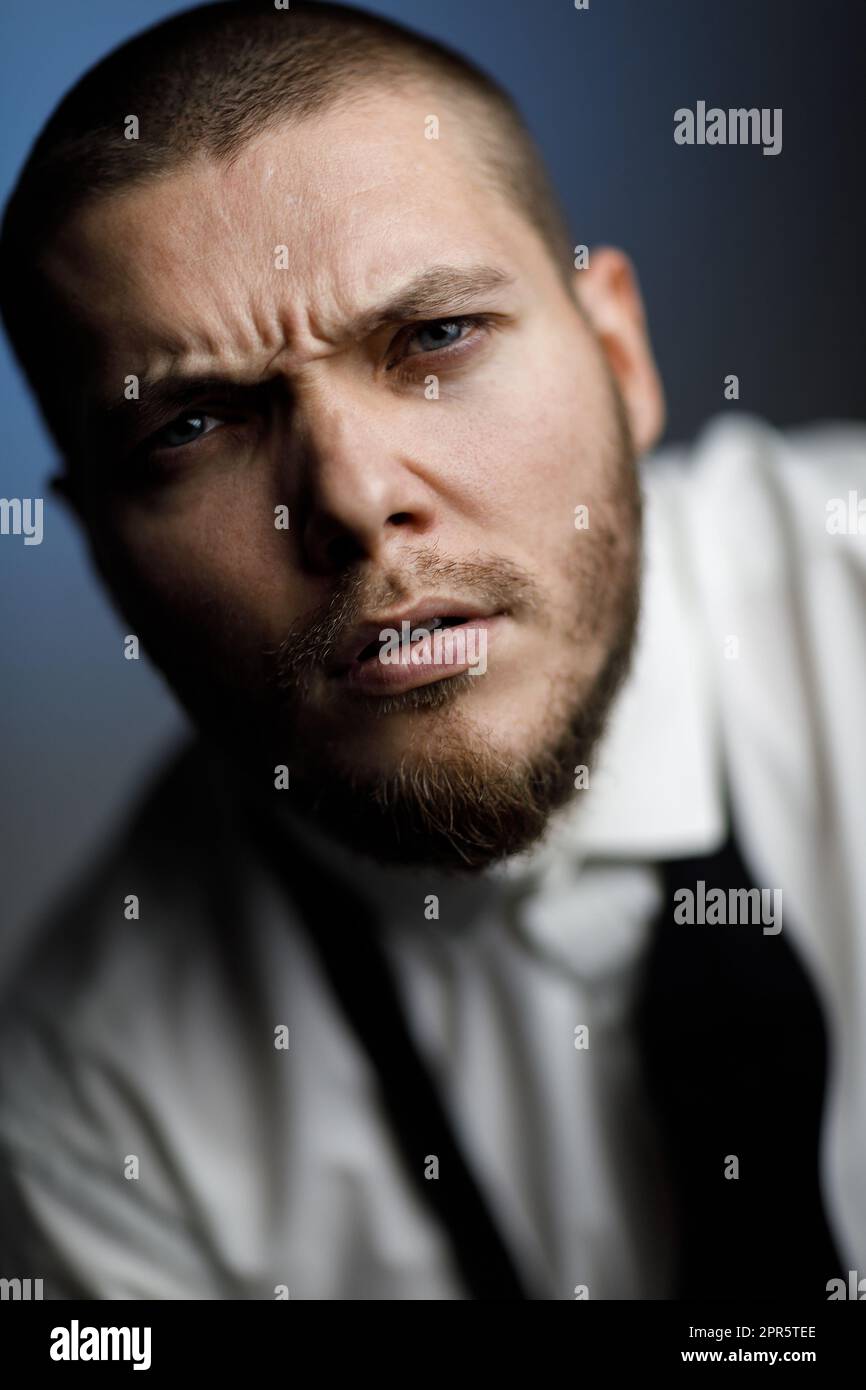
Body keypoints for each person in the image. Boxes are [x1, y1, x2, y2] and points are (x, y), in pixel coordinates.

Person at [0, 0, 863, 1300]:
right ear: (103, 552)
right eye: (191, 429)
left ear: (618, 353)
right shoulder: (93, 1117)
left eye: (435, 339)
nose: (349, 499)